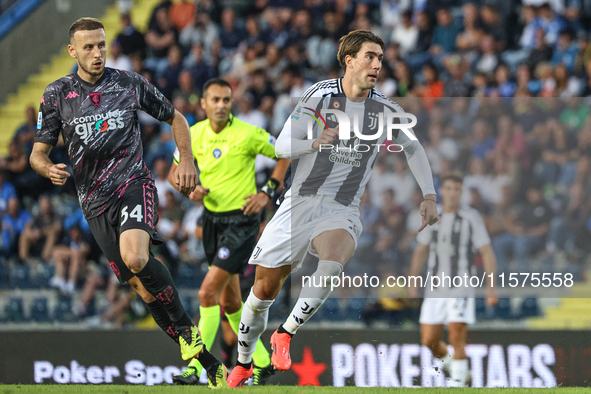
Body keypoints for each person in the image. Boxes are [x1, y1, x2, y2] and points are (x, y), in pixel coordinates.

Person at [227, 29, 439, 387]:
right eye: (370, 57)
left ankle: (285, 334)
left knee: (332, 262)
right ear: (349, 60)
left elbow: (414, 148)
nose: (377, 65)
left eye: (381, 59)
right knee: (262, 291)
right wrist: (314, 140)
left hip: (342, 208)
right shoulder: (319, 96)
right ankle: (245, 362)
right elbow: (281, 147)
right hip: (299, 203)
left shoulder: (386, 109)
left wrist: (430, 196)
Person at [29, 17, 227, 388]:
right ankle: (206, 359)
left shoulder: (128, 83)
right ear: (72, 51)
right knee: (139, 285)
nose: (97, 53)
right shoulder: (56, 94)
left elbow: (177, 117)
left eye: (101, 45)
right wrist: (46, 169)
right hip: (93, 201)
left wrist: (186, 160)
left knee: (137, 257)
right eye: (88, 47)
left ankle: (187, 332)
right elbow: (38, 153)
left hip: (132, 184)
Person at [167, 78, 290, 385]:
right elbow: (174, 173)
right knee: (231, 303)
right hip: (211, 222)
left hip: (241, 223)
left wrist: (267, 192)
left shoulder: (248, 133)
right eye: (215, 100)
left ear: (231, 103)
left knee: (207, 292)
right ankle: (261, 362)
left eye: (226, 100)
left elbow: (284, 154)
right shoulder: (192, 134)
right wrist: (189, 190)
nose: (221, 105)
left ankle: (199, 368)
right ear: (203, 104)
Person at [408, 173, 498, 387]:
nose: (452, 193)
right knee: (429, 340)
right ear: (442, 191)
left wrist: (491, 287)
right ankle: (458, 368)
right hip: (435, 288)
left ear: (461, 192)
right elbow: (421, 250)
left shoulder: (471, 217)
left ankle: (457, 384)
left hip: (461, 285)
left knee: (457, 334)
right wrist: (413, 279)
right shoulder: (433, 215)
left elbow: (486, 251)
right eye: (448, 188)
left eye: (456, 189)